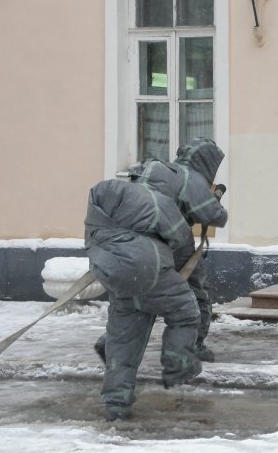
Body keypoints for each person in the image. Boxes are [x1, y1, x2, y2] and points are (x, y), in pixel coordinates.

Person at [85, 178, 201, 422]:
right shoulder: (157, 200)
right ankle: (178, 364)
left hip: (114, 271)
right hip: (148, 266)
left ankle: (116, 405)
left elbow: (93, 238)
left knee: (123, 340)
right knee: (185, 312)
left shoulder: (102, 201)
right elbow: (180, 237)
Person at [128, 137, 228, 362]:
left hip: (137, 242)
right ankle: (193, 344)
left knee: (136, 296)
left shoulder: (167, 174)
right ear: (207, 161)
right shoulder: (192, 178)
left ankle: (115, 344)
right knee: (196, 290)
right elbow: (215, 217)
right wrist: (215, 202)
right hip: (174, 241)